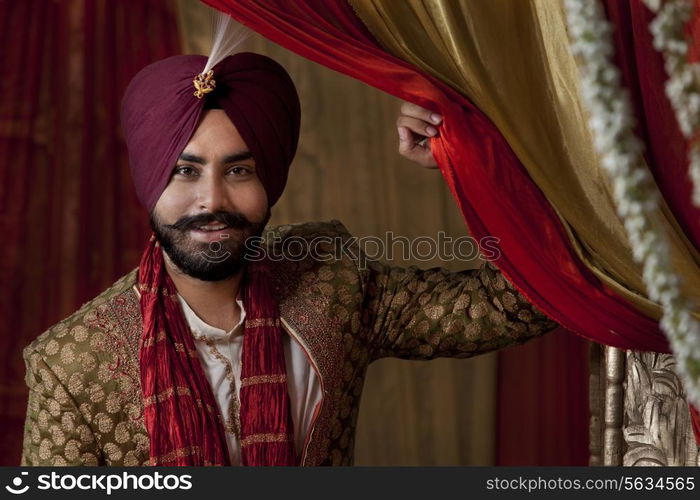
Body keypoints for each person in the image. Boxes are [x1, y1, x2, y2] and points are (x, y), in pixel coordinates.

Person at [20, 52, 558, 467]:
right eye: (184, 171)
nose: (211, 201)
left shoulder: (333, 281)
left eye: (239, 171)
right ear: (147, 182)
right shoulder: (72, 363)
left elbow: (517, 304)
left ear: (269, 180)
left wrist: (474, 164)